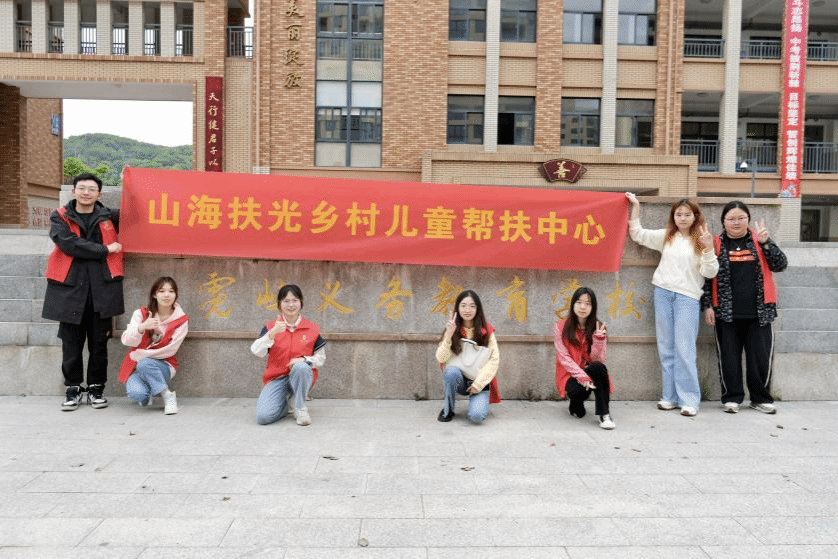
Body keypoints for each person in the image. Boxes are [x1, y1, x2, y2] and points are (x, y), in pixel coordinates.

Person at [626, 193, 718, 417]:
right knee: (666, 347)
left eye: (687, 214)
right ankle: (669, 397)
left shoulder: (702, 240)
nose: (683, 218)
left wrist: (708, 249)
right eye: (678, 214)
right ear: (673, 216)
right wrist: (636, 206)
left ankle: (689, 400)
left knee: (684, 349)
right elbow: (638, 234)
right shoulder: (667, 236)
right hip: (663, 293)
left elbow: (710, 272)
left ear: (695, 216)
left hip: (688, 297)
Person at [42, 173, 124, 411]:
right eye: (82, 188)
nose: (86, 192)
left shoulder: (110, 217)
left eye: (91, 189)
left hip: (102, 289)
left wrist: (129, 182)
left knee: (99, 344)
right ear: (73, 191)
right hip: (70, 290)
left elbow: (139, 215)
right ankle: (73, 389)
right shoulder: (59, 216)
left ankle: (96, 388)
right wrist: (105, 249)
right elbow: (68, 244)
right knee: (71, 344)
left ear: (99, 194)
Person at [701, 201, 788, 414]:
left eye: (741, 218)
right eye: (731, 219)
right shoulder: (716, 243)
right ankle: (732, 398)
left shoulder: (759, 240)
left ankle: (760, 399)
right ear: (723, 221)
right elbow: (706, 278)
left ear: (748, 219)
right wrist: (707, 306)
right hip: (726, 312)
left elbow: (780, 265)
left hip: (760, 312)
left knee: (759, 359)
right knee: (728, 358)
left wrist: (767, 244)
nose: (736, 222)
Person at [250, 284, 326, 426]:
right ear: (279, 304)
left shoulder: (312, 328)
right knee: (263, 417)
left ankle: (300, 408)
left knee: (301, 367)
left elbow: (321, 359)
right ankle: (287, 404)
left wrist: (304, 359)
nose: (291, 305)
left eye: (295, 300)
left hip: (301, 376)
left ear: (301, 302)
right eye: (286, 301)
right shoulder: (270, 327)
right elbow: (257, 352)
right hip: (277, 378)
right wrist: (272, 334)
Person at [119, 277, 189, 414]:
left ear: (176, 295)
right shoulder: (141, 314)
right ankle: (149, 391)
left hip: (163, 365)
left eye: (171, 291)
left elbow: (170, 350)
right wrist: (142, 327)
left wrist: (142, 355)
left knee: (145, 363)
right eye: (161, 291)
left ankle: (167, 395)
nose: (167, 295)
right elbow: (127, 341)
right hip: (137, 366)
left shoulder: (181, 320)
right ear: (154, 295)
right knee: (137, 394)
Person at [436, 290, 501, 424]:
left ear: (478, 309)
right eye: (463, 305)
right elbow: (441, 358)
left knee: (476, 417)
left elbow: (494, 360)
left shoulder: (487, 330)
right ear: (458, 308)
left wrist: (478, 384)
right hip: (459, 379)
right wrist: (448, 335)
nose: (467, 310)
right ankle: (448, 409)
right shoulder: (452, 329)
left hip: (479, 380)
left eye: (472, 306)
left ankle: (478, 402)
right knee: (451, 372)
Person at [554, 287, 614, 429]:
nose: (583, 307)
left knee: (598, 367)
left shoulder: (598, 327)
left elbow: (598, 359)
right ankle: (576, 402)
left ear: (593, 307)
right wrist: (582, 376)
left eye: (588, 304)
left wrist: (599, 340)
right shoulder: (561, 326)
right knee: (577, 405)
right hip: (571, 375)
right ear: (573, 304)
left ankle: (604, 414)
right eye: (579, 302)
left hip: (590, 372)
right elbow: (564, 357)